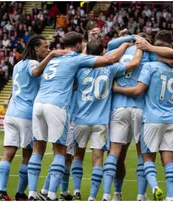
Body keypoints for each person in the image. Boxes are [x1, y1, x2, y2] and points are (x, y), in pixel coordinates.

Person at [27, 31, 132, 201]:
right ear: (77, 45)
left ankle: (32, 193)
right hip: (59, 105)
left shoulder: (53, 57)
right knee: (60, 152)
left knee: (38, 149)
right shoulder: (76, 59)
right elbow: (110, 60)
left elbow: (36, 72)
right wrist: (127, 44)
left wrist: (52, 53)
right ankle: (52, 194)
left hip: (39, 103)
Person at [102, 30, 173, 201]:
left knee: (116, 153)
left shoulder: (116, 51)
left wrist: (130, 39)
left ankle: (110, 194)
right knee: (143, 155)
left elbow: (109, 45)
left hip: (118, 107)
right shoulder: (149, 54)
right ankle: (141, 195)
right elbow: (172, 58)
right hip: (140, 109)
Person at [0, 35, 68, 201]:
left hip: (11, 114)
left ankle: (2, 192)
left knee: (7, 153)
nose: (47, 49)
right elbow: (36, 72)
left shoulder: (17, 65)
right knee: (28, 156)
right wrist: (52, 56)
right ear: (36, 48)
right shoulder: (33, 63)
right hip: (27, 115)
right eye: (45, 46)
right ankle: (21, 194)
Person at [70, 39, 142, 201]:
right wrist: (127, 45)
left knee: (78, 156)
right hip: (100, 121)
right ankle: (94, 197)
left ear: (87, 52)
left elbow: (73, 85)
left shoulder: (80, 69)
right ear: (103, 53)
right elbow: (133, 64)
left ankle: (76, 191)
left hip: (80, 119)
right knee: (98, 159)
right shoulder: (110, 69)